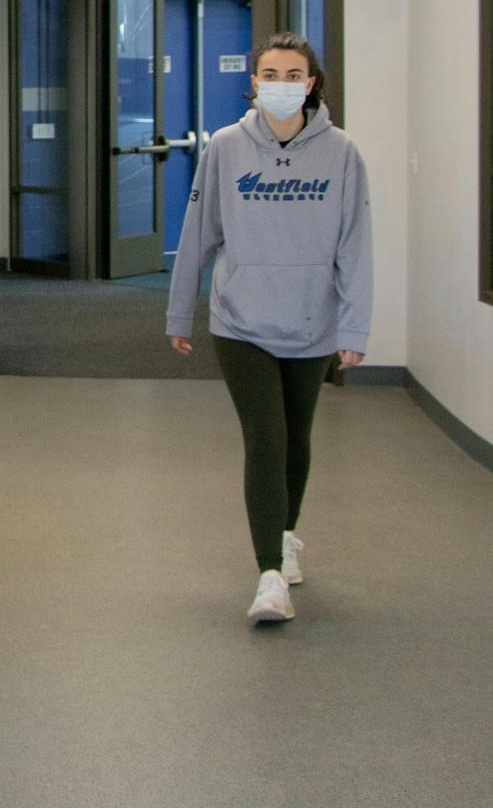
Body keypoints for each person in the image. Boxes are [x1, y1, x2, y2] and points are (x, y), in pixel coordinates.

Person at [165, 31, 372, 625]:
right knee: (265, 438)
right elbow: (197, 232)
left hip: (313, 320)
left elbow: (357, 247)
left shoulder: (342, 153)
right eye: (270, 75)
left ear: (312, 84)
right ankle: (269, 576)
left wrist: (354, 328)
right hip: (242, 320)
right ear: (253, 83)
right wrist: (180, 312)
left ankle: (285, 534)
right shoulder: (227, 148)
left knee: (297, 434)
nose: (281, 85)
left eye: (294, 75)